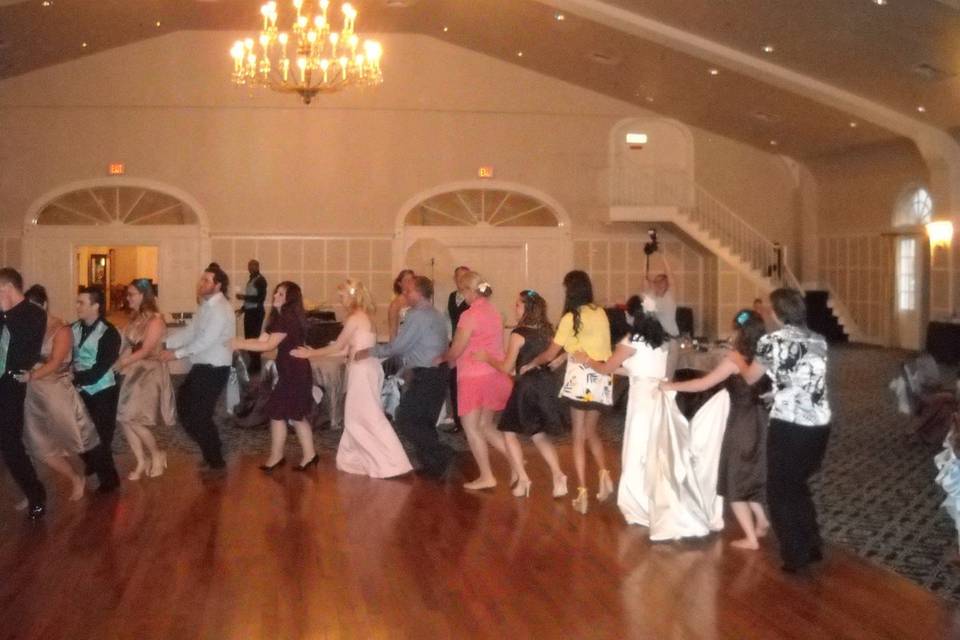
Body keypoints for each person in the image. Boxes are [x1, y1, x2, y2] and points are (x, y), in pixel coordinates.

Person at [577, 308, 727, 540]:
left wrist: (587, 360)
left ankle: (640, 505)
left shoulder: (630, 341)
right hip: (660, 396)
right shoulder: (664, 342)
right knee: (656, 452)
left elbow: (607, 368)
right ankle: (656, 502)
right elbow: (633, 369)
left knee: (637, 452)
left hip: (642, 402)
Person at [662, 309, 771, 549]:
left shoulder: (735, 359)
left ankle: (751, 538)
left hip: (741, 423)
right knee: (751, 473)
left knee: (733, 479)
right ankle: (762, 520)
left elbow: (704, 383)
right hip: (762, 419)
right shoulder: (767, 354)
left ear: (740, 332)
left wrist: (672, 385)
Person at [292, 279, 412, 478]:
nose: (341, 300)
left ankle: (392, 462)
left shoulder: (355, 318)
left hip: (362, 372)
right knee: (358, 417)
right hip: (365, 369)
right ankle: (363, 459)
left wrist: (310, 355)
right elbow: (345, 351)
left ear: (353, 296)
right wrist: (315, 352)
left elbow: (339, 347)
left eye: (343, 296)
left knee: (368, 417)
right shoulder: (363, 317)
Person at [522, 270, 613, 514]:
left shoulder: (570, 318)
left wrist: (532, 363)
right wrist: (565, 357)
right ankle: (604, 476)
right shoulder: (600, 313)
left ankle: (582, 492)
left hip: (580, 380)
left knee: (578, 436)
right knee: (593, 432)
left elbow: (550, 352)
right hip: (602, 378)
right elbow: (593, 345)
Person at [755, 288, 832, 572]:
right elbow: (806, 380)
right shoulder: (819, 339)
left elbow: (751, 375)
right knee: (797, 485)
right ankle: (811, 544)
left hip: (790, 426)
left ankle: (795, 554)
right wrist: (779, 394)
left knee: (779, 491)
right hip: (819, 425)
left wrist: (735, 358)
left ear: (776, 312)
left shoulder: (771, 341)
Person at [356, 275, 455, 478]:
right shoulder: (435, 313)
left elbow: (400, 346)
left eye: (408, 291)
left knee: (406, 419)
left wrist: (370, 352)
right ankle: (433, 465)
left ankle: (442, 455)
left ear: (419, 293)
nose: (405, 294)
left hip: (427, 374)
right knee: (423, 420)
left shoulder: (417, 316)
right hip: (436, 372)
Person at [475, 289, 568, 498]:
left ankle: (524, 478)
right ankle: (558, 475)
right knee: (538, 434)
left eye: (518, 304)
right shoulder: (548, 332)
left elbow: (506, 368)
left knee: (509, 431)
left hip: (527, 387)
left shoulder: (519, 334)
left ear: (528, 309)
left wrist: (486, 358)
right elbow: (555, 359)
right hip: (547, 386)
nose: (515, 308)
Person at [20, 285, 98, 502]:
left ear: (44, 305)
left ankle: (76, 478)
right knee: (32, 443)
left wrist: (31, 376)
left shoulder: (60, 328)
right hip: (31, 391)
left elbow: (55, 362)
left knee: (67, 439)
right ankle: (33, 491)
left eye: (34, 307)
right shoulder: (27, 326)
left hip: (54, 389)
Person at [438, 271, 512, 491]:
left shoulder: (469, 315)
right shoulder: (495, 312)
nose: (462, 296)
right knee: (487, 426)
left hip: (473, 377)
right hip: (494, 376)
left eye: (462, 291)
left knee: (472, 429)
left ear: (470, 291)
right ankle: (517, 465)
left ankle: (487, 476)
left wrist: (442, 358)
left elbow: (457, 348)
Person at [232, 281, 317, 471]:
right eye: (276, 293)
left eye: (281, 294)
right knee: (289, 414)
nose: (276, 296)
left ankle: (283, 456)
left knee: (283, 413)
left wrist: (239, 343)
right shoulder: (280, 318)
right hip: (292, 372)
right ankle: (304, 455)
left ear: (290, 299)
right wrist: (241, 341)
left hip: (295, 373)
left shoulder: (286, 318)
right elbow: (262, 340)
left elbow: (267, 346)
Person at [160, 266, 235, 471]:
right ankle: (212, 451)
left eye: (206, 281)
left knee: (198, 415)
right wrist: (165, 343)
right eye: (201, 279)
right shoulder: (206, 307)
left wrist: (175, 354)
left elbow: (205, 341)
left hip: (214, 368)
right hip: (203, 366)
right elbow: (190, 331)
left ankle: (216, 461)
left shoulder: (220, 309)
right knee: (186, 409)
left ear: (218, 285)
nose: (201, 284)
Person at [115, 278, 176, 480]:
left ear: (143, 295)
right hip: (135, 370)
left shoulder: (155, 320)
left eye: (131, 294)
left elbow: (147, 349)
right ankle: (142, 460)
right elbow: (125, 343)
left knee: (136, 419)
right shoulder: (135, 318)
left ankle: (157, 453)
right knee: (124, 417)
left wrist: (123, 362)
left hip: (150, 372)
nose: (128, 298)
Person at [0, 268, 48, 518]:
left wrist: (7, 313)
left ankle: (36, 495)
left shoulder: (32, 314)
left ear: (7, 288)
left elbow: (24, 350)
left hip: (11, 384)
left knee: (10, 444)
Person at [71, 286, 123, 494]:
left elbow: (100, 369)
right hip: (79, 390)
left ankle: (110, 481)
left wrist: (75, 378)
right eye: (77, 302)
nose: (77, 306)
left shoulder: (109, 333)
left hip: (103, 391)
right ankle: (92, 461)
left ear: (96, 306)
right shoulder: (73, 328)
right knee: (76, 434)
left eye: (81, 303)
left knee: (100, 437)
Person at [442, 265, 471, 434]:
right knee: (454, 382)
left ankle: (468, 423)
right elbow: (450, 320)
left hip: (468, 345)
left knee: (465, 383)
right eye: (458, 277)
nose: (461, 280)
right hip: (455, 341)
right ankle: (458, 422)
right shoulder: (452, 296)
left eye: (464, 276)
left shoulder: (472, 299)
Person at [643, 249, 679, 377]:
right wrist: (646, 257)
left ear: (666, 283)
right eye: (656, 281)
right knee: (656, 378)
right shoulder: (651, 298)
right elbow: (645, 278)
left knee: (667, 378)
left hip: (671, 342)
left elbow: (671, 277)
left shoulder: (670, 296)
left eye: (661, 281)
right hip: (657, 343)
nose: (658, 284)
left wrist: (663, 255)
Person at [236, 260, 267, 374]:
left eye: (252, 266)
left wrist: (244, 297)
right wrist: (242, 309)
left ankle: (256, 366)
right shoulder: (251, 279)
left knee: (254, 339)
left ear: (257, 267)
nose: (249, 268)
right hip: (250, 312)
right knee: (249, 339)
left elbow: (260, 299)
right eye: (249, 266)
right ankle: (253, 364)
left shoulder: (260, 280)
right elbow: (250, 299)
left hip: (256, 313)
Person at [387, 269, 415, 340]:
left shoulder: (416, 301)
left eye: (411, 280)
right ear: (400, 284)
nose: (409, 282)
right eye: (406, 280)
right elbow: (393, 330)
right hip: (402, 340)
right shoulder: (396, 303)